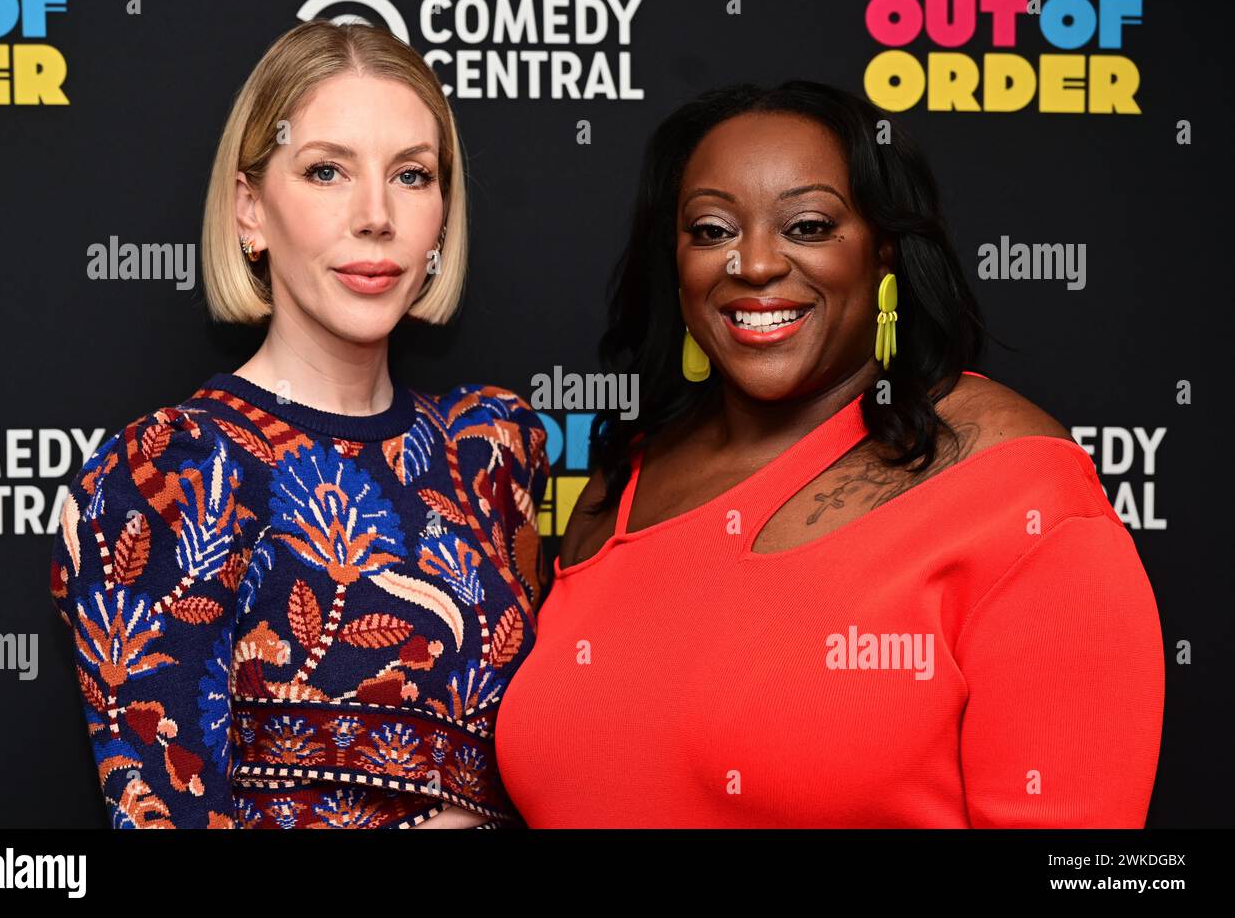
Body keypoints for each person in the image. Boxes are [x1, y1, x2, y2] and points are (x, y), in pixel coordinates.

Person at [494, 81, 1165, 827]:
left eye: (808, 226)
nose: (752, 265)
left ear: (884, 249)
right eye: (711, 230)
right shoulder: (616, 488)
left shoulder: (1018, 491)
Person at [48, 20, 549, 829]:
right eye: (326, 171)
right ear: (250, 210)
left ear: (442, 214)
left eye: (412, 176)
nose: (376, 215)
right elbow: (163, 810)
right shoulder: (171, 474)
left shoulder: (490, 451)